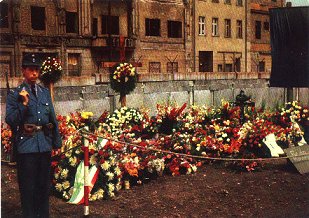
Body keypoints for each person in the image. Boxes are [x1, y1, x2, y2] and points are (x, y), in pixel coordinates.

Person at [5, 53, 62, 218]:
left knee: (43, 187)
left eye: (37, 69)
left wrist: (56, 143)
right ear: (23, 70)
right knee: (28, 189)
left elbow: (52, 116)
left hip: (44, 144)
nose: (35, 73)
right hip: (27, 147)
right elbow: (10, 120)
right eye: (31, 69)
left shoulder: (44, 92)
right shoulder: (15, 94)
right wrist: (24, 104)